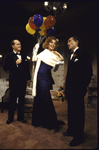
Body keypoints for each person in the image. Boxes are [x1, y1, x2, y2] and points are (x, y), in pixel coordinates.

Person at [62, 36, 93, 146]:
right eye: (67, 41)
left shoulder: (83, 54)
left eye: (70, 41)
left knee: (78, 113)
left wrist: (82, 88)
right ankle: (71, 130)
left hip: (78, 90)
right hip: (70, 90)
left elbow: (88, 73)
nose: (68, 43)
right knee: (71, 111)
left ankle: (78, 137)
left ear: (76, 42)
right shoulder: (71, 56)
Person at [32, 36, 64, 133]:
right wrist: (36, 47)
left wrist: (57, 65)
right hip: (39, 77)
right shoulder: (43, 53)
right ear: (47, 43)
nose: (53, 45)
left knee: (46, 98)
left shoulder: (56, 55)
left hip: (46, 77)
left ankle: (52, 123)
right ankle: (40, 121)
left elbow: (55, 67)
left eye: (54, 43)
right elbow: (34, 59)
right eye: (51, 42)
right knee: (40, 98)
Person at [3, 39, 31, 124]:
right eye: (18, 44)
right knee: (12, 99)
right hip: (14, 81)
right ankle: (10, 118)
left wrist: (28, 79)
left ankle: (20, 118)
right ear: (13, 46)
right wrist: (15, 63)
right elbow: (5, 67)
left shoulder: (24, 56)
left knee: (22, 99)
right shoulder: (8, 56)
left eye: (20, 44)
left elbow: (27, 69)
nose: (20, 45)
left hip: (23, 81)